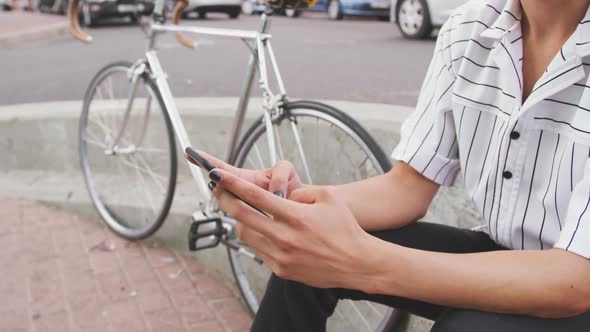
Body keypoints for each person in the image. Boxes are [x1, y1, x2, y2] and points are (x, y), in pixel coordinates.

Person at [197, 0, 590, 330]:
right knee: (305, 260)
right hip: (502, 251)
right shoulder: (470, 29)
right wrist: (293, 204)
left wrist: (361, 263)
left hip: (576, 284)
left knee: (468, 327)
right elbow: (406, 188)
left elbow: (575, 280)